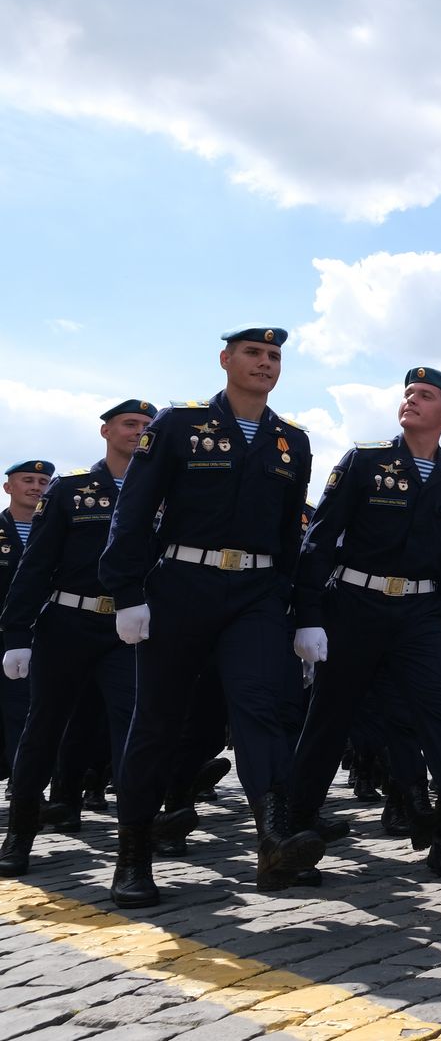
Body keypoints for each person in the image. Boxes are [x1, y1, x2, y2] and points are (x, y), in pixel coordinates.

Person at [99, 328, 323, 905]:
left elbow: (291, 534)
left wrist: (302, 610)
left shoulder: (291, 442)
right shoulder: (178, 424)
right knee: (156, 720)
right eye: (253, 353)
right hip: (182, 584)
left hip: (256, 590)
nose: (265, 363)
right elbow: (136, 506)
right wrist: (126, 591)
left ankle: (272, 835)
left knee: (261, 707)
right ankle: (133, 856)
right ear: (225, 360)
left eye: (274, 356)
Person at [289, 367, 441, 879]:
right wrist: (308, 615)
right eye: (408, 394)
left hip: (421, 613)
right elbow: (321, 539)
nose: (411, 401)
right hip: (355, 602)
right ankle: (296, 827)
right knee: (330, 718)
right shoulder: (366, 460)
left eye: (425, 396)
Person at [0, 406, 149, 873]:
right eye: (130, 425)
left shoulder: (167, 491)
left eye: (148, 428)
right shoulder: (71, 490)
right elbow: (36, 565)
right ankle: (19, 833)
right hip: (66, 622)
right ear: (107, 432)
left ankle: (133, 853)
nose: (140, 432)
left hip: (129, 632)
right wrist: (17, 633)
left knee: (132, 733)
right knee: (42, 729)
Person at [1, 458, 53, 773]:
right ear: (8, 487)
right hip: (5, 636)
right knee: (14, 709)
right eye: (27, 481)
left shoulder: (54, 527)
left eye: (43, 483)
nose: (36, 488)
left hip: (48, 632)